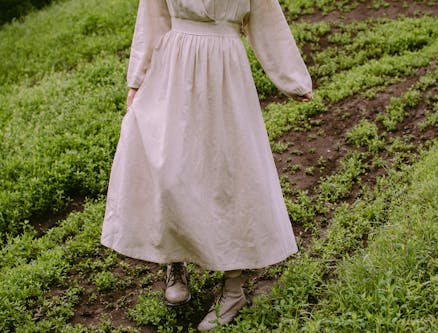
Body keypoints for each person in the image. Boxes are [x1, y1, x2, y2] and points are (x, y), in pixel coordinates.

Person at [101, 0, 312, 330]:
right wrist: (137, 80)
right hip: (174, 69)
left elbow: (267, 20)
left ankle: (233, 290)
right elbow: (152, 20)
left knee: (229, 177)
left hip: (224, 71)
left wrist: (291, 78)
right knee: (170, 172)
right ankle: (175, 261)